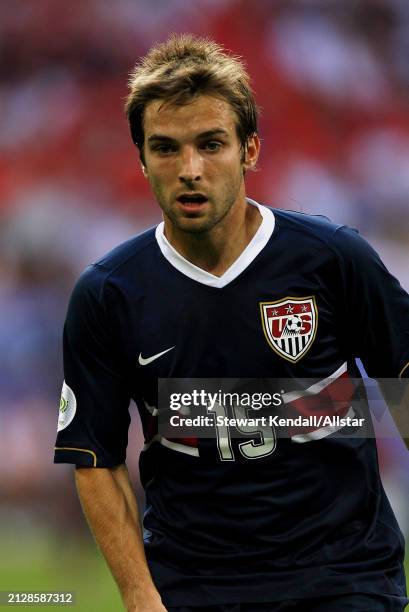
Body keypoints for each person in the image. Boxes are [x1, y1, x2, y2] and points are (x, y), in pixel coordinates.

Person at [54, 34, 409, 611]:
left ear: (250, 151)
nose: (189, 169)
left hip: (344, 577)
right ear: (141, 159)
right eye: (166, 148)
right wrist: (141, 599)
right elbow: (95, 458)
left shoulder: (334, 259)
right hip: (196, 587)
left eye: (211, 144)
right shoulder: (108, 294)